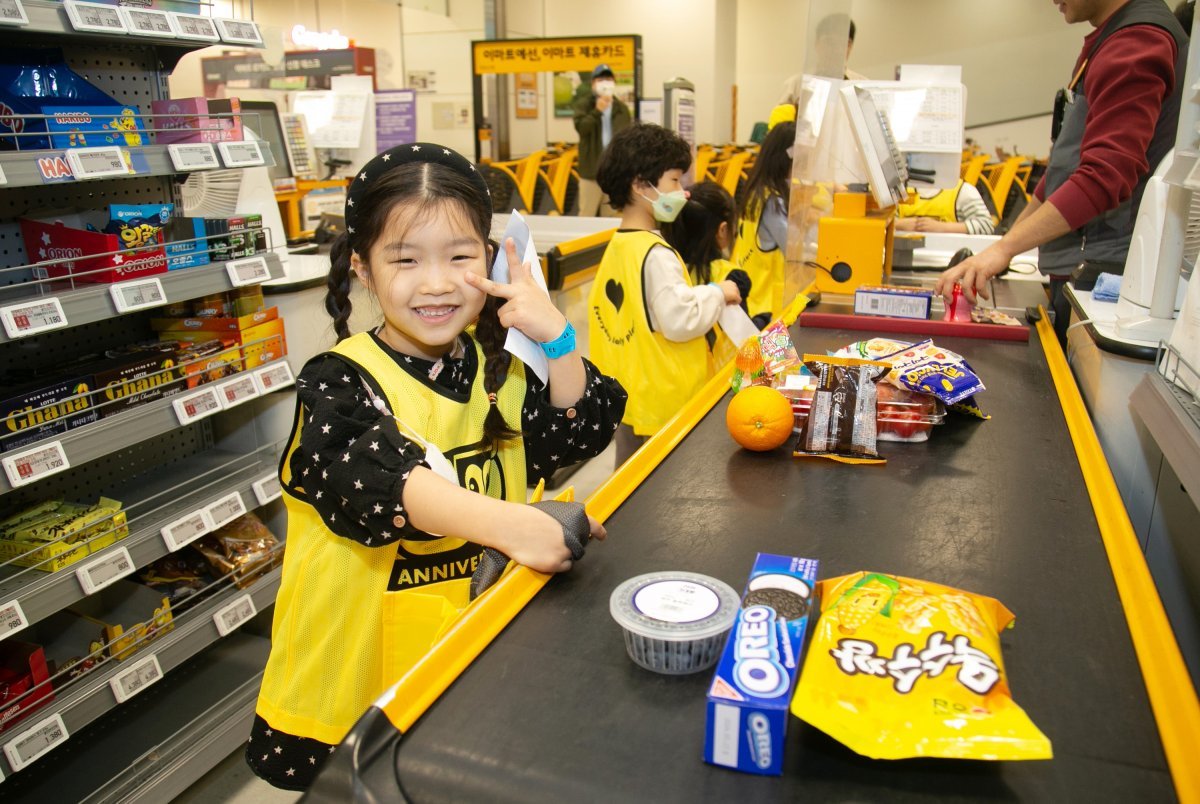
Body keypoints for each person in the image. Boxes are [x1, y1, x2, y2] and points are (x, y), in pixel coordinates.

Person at [248, 143, 626, 790]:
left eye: (460, 256)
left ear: (490, 257)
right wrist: (514, 525)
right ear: (363, 268)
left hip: (467, 658)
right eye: (405, 259)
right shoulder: (337, 382)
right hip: (354, 684)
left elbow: (579, 432)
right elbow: (380, 481)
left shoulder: (496, 366)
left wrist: (556, 338)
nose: (437, 282)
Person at [937, 0, 1187, 339]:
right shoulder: (1111, 39)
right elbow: (1064, 172)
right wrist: (1001, 246)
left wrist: (1005, 249)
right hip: (1080, 268)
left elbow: (1103, 176)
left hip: (1099, 282)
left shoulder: (1137, 41)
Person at [588, 124, 743, 465]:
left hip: (630, 396)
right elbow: (679, 318)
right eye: (674, 180)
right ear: (641, 185)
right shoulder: (655, 254)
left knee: (628, 480)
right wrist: (719, 293)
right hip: (663, 403)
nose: (682, 192)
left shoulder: (617, 246)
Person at [662, 181, 753, 359]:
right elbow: (744, 338)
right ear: (723, 229)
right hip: (722, 379)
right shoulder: (732, 278)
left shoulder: (668, 270)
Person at [732, 120, 796, 328]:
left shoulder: (759, 191)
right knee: (778, 361)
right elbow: (795, 249)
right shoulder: (772, 201)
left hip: (755, 301)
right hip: (768, 310)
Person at [573, 63, 632, 217]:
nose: (605, 83)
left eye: (608, 79)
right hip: (590, 172)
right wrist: (597, 111)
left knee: (611, 217)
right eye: (600, 79)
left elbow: (626, 138)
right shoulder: (584, 105)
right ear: (593, 83)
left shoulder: (621, 109)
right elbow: (582, 128)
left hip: (612, 173)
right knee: (586, 214)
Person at [895, 180, 997, 235]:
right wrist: (899, 224)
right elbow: (882, 222)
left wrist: (941, 227)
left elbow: (986, 226)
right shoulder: (899, 190)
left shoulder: (963, 190)